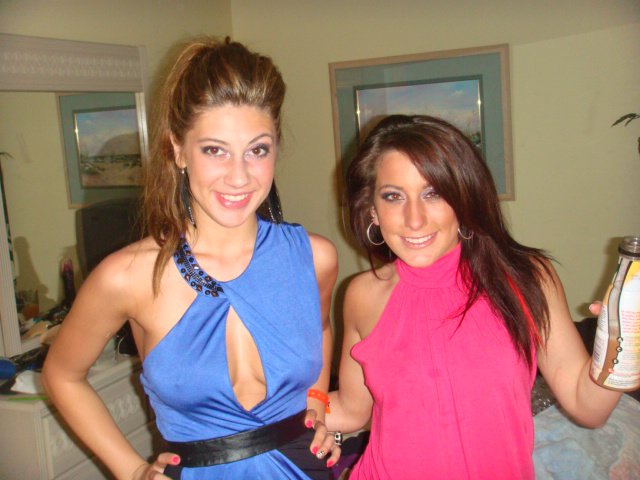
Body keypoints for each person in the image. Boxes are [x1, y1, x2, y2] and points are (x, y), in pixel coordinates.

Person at [42, 37, 340, 480]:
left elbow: (321, 328)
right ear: (178, 149)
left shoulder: (314, 258)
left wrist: (317, 400)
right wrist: (131, 470)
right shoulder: (127, 277)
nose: (239, 176)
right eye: (214, 150)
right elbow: (61, 376)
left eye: (257, 150)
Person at [325, 114, 623, 479]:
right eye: (393, 196)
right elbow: (352, 410)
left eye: (433, 193)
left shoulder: (527, 279)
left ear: (464, 198)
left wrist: (624, 343)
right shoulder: (362, 294)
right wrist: (287, 407)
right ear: (372, 209)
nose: (414, 219)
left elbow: (588, 408)